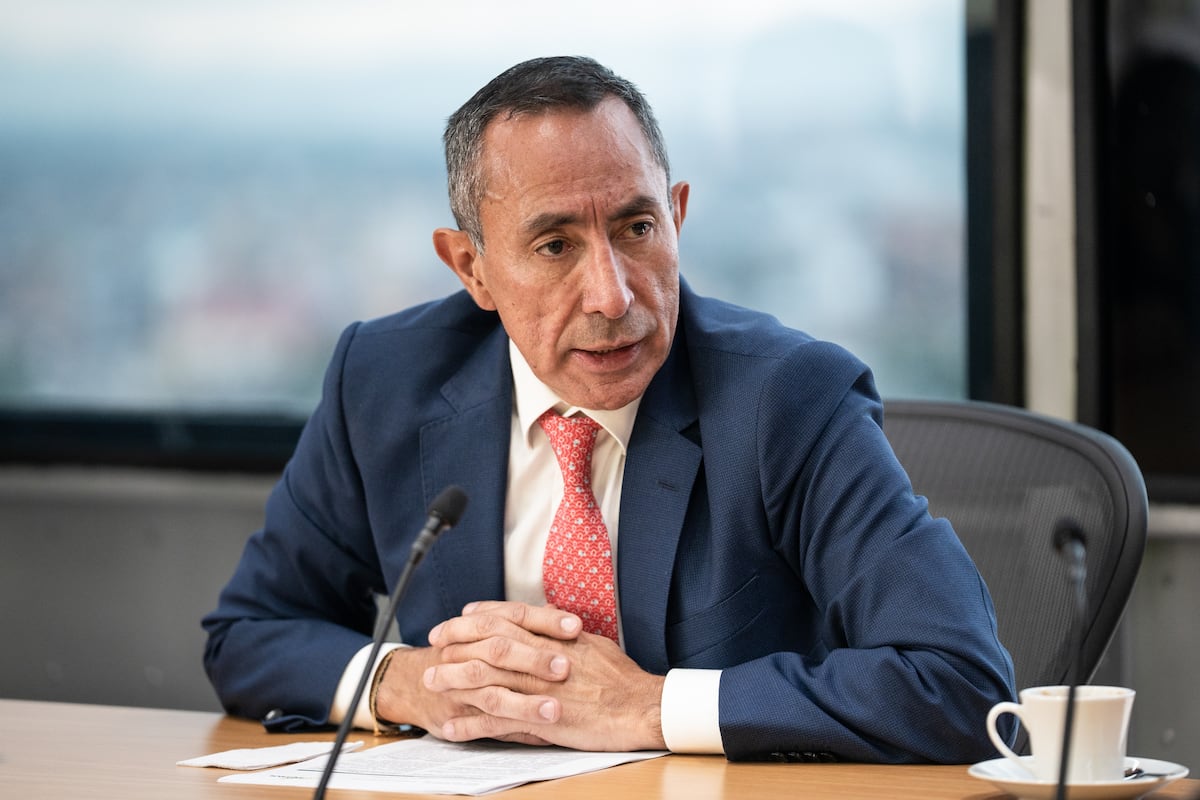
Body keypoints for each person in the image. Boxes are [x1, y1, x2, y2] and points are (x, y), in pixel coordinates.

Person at [202, 55, 1015, 763]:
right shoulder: (385, 380)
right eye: (555, 246)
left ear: (678, 216)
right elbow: (250, 632)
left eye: (635, 228)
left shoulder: (786, 398)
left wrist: (649, 707)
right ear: (471, 269)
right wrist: (408, 682)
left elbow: (963, 683)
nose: (613, 295)